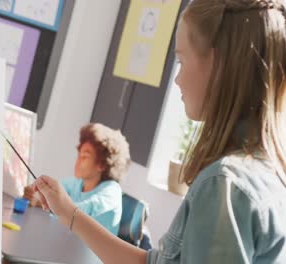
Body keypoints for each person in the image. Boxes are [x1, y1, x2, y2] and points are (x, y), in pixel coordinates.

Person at [32, 0, 286, 263]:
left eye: (181, 60)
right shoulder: (269, 173)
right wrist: (68, 212)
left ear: (219, 64)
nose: (177, 79)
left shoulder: (224, 185)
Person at [24, 123, 131, 235]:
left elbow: (82, 212)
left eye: (85, 156)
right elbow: (55, 192)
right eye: (79, 154)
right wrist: (37, 193)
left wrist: (44, 203)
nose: (78, 160)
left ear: (102, 165)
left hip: (93, 252)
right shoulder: (77, 183)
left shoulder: (112, 191)